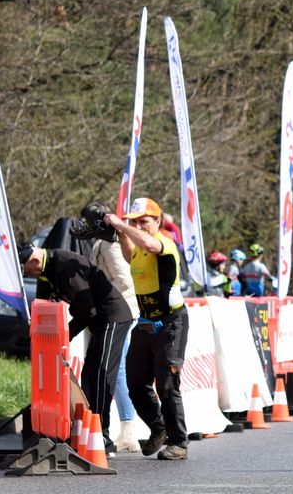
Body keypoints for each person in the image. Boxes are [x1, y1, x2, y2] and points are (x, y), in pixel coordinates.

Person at [19, 243, 133, 454]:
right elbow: (47, 301)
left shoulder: (63, 265)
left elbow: (87, 310)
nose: (29, 275)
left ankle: (102, 436)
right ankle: (89, 431)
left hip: (113, 316)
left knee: (101, 375)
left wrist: (66, 335)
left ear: (34, 262)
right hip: (99, 321)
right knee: (89, 375)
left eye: (27, 270)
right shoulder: (47, 268)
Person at [104, 197, 191, 460]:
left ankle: (179, 443)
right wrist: (120, 231)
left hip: (170, 323)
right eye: (136, 222)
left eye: (144, 221)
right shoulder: (139, 248)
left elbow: (148, 243)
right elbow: (131, 254)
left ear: (158, 221)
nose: (140, 226)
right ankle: (158, 427)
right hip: (145, 324)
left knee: (166, 385)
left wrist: (123, 224)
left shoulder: (163, 241)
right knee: (134, 382)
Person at [87, 201, 142, 454]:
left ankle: (129, 430)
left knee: (117, 369)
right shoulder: (102, 243)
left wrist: (104, 301)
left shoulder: (110, 246)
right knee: (116, 368)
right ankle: (127, 427)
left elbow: (124, 280)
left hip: (122, 313)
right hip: (115, 313)